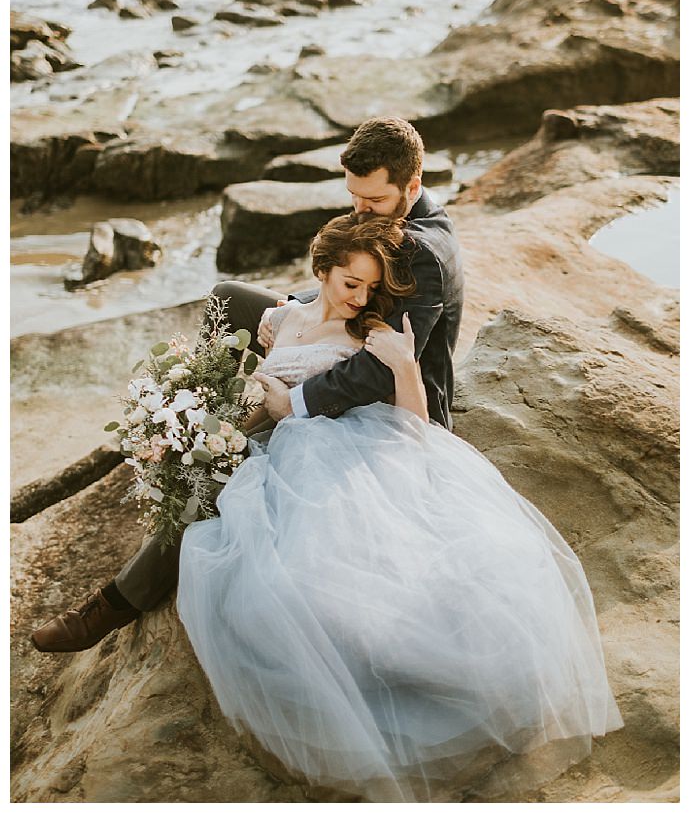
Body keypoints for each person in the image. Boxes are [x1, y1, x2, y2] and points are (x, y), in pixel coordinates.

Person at [176, 213, 623, 803]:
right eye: (348, 283)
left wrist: (404, 364)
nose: (361, 296)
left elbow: (414, 422)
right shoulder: (278, 320)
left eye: (369, 286)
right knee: (278, 582)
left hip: (351, 450)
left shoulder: (372, 335)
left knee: (365, 575)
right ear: (322, 271)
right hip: (278, 456)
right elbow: (252, 384)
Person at [30, 116, 465, 653]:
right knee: (229, 299)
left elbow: (383, 365)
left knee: (226, 472)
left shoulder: (425, 252)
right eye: (353, 195)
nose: (358, 209)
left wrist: (293, 401)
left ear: (412, 187)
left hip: (380, 398)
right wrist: (299, 308)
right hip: (344, 341)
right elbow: (348, 279)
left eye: (371, 200)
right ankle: (203, 403)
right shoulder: (394, 211)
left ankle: (114, 603)